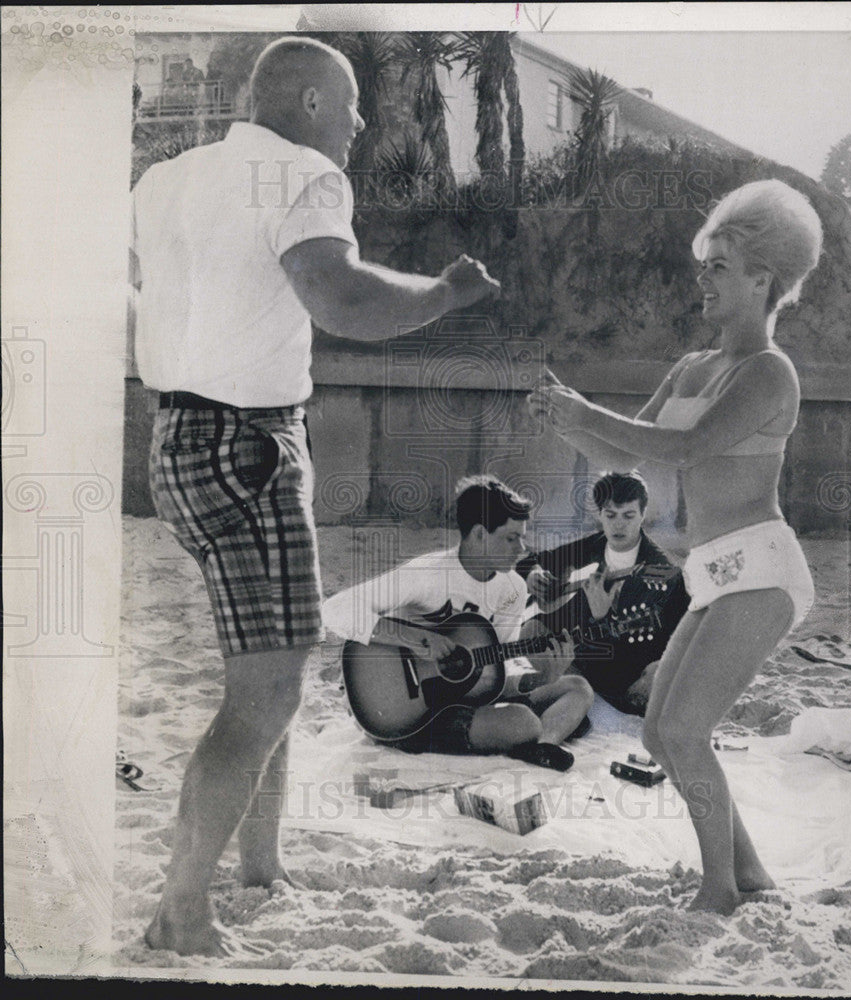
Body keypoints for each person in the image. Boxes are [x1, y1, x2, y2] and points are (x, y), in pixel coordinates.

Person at [130, 36, 499, 957]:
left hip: (174, 441)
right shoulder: (303, 175)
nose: (362, 124)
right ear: (305, 105)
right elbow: (343, 300)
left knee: (272, 667)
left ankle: (259, 868)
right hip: (247, 445)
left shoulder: (165, 179)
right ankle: (181, 912)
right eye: (352, 107)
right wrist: (445, 294)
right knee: (263, 693)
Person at [530, 179, 822, 915]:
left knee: (685, 728)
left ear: (762, 280)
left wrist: (586, 412)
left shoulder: (767, 373)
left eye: (718, 265)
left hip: (762, 570)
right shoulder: (694, 366)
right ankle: (748, 873)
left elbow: (688, 448)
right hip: (713, 573)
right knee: (662, 733)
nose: (703, 277)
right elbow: (628, 461)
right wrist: (564, 420)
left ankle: (718, 890)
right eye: (705, 262)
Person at [324, 476, 593, 770]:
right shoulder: (429, 573)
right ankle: (427, 735)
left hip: (465, 695)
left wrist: (538, 678)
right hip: (405, 706)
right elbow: (335, 609)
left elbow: (496, 670)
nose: (522, 549)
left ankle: (543, 747)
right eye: (511, 538)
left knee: (577, 687)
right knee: (523, 722)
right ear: (479, 534)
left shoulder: (514, 589)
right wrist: (413, 637)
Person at [516, 471, 689, 717]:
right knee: (531, 630)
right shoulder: (592, 546)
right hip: (579, 665)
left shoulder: (662, 572)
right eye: (610, 516)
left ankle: (576, 704)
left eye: (628, 516)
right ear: (600, 515)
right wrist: (533, 573)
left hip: (629, 676)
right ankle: (566, 699)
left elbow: (644, 652)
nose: (618, 525)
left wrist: (602, 618)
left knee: (660, 676)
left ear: (642, 515)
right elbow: (529, 561)